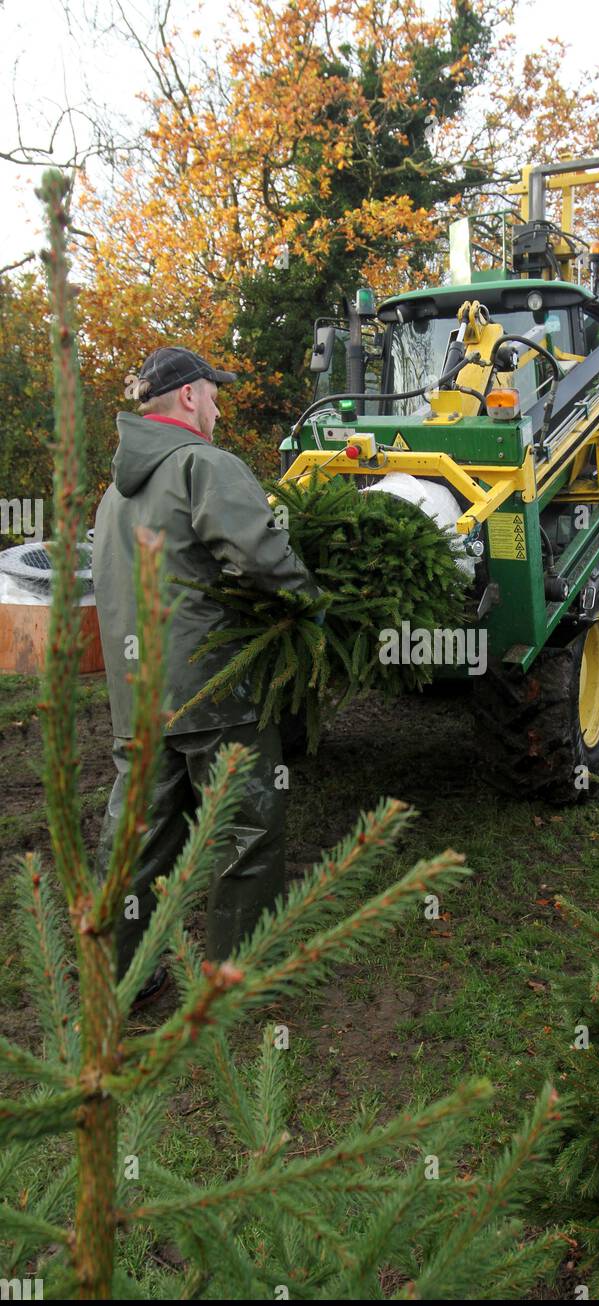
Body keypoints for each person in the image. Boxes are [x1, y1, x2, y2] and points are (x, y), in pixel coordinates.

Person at [92, 346, 320, 1008]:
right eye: (214, 394)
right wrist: (313, 607)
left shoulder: (115, 493)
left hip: (136, 699)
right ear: (189, 397)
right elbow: (264, 556)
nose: (219, 407)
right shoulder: (203, 467)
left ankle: (121, 984)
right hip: (214, 692)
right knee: (245, 831)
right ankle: (235, 986)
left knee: (139, 838)